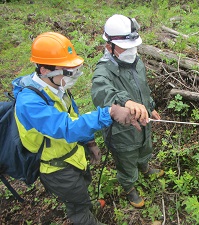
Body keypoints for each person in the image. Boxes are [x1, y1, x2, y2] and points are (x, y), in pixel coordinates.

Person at [12, 32, 141, 225]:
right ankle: (84, 215)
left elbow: (72, 115)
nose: (73, 76)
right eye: (68, 71)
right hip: (57, 169)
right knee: (77, 205)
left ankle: (85, 203)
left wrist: (89, 142)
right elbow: (66, 127)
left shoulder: (55, 87)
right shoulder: (30, 103)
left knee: (82, 187)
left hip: (73, 156)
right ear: (45, 70)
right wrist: (110, 112)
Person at [91, 14, 164, 208]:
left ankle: (145, 168)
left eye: (134, 46)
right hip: (121, 131)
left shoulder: (136, 62)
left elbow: (143, 88)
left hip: (143, 121)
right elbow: (101, 93)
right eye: (126, 47)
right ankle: (129, 186)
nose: (132, 51)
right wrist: (125, 101)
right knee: (127, 158)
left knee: (144, 147)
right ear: (110, 47)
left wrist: (151, 106)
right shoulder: (104, 70)